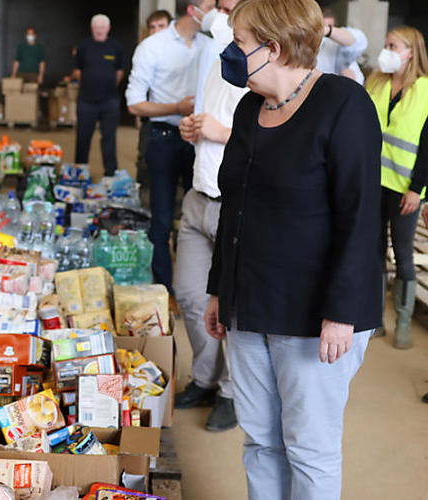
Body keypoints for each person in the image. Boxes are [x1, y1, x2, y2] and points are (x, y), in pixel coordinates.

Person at [205, 0, 382, 497]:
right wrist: (221, 289)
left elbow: (360, 216)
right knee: (261, 441)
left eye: (239, 43)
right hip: (250, 304)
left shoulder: (344, 104)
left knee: (308, 447)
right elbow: (233, 207)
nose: (229, 53)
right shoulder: (247, 110)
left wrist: (342, 312)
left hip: (314, 315)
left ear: (274, 48)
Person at [174, 0, 246, 433]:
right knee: (189, 293)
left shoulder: (266, 66)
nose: (216, 12)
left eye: (226, 6)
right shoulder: (217, 59)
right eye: (215, 5)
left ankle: (232, 391)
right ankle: (204, 377)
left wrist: (223, 133)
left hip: (234, 202)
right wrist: (193, 130)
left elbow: (280, 138)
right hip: (200, 194)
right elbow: (209, 121)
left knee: (234, 306)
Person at [126, 0, 212, 289]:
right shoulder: (154, 46)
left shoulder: (210, 46)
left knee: (197, 216)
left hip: (199, 140)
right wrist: (176, 106)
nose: (220, 16)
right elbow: (135, 103)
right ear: (194, 10)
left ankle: (195, 286)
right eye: (215, 8)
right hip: (163, 137)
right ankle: (164, 288)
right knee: (161, 218)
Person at [366, 26, 428, 350]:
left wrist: (417, 189)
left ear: (410, 53)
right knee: (373, 250)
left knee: (403, 253)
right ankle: (375, 319)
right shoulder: (375, 82)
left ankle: (403, 321)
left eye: (393, 45)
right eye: (386, 43)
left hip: (405, 188)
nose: (386, 49)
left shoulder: (426, 91)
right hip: (373, 181)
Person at [73, 15, 126, 176]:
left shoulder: (116, 47)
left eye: (102, 27)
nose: (99, 30)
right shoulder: (84, 46)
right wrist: (91, 84)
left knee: (109, 140)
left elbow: (120, 72)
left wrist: (106, 85)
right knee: (83, 138)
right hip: (86, 102)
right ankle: (80, 173)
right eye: (96, 27)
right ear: (92, 28)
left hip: (109, 102)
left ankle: (110, 174)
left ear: (108, 29)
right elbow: (77, 71)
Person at [135, 10, 175, 207]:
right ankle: (143, 210)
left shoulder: (181, 54)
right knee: (145, 166)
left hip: (178, 124)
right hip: (150, 123)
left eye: (161, 26)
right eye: (152, 27)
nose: (156, 31)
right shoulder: (146, 53)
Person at [318, 8, 367, 84]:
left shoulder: (338, 45)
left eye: (329, 26)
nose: (324, 30)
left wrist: (328, 31)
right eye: (322, 25)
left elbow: (360, 41)